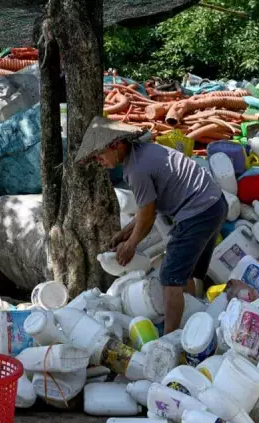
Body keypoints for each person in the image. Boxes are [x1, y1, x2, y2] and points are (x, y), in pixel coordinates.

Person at [76, 116, 227, 332]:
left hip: (198, 211)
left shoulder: (136, 170)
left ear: (116, 146)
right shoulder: (142, 153)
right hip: (214, 203)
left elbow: (147, 217)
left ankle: (170, 337)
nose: (100, 162)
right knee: (184, 271)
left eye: (100, 156)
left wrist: (130, 246)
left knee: (170, 278)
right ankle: (194, 319)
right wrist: (124, 234)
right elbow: (147, 209)